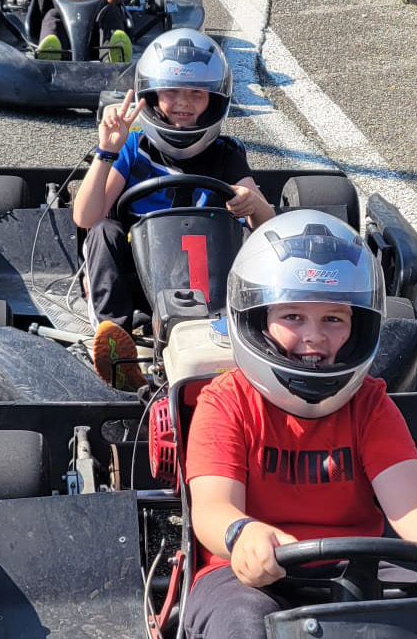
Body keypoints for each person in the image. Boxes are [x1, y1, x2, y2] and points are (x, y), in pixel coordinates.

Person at [180, 210, 417, 639]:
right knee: (244, 625)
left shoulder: (369, 405)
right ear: (256, 320)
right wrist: (241, 533)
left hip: (357, 569)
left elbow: (414, 502)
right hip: (246, 573)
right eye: (293, 317)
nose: (314, 336)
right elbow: (213, 507)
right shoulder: (226, 403)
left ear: (358, 327)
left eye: (333, 319)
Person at [74, 29, 274, 388]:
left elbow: (267, 229)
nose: (183, 103)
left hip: (211, 284)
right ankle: (115, 341)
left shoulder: (225, 154)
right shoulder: (133, 148)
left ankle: (246, 335)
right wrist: (106, 152)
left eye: (196, 93)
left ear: (214, 99)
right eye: (171, 92)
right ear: (152, 96)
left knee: (247, 236)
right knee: (104, 230)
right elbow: (85, 217)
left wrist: (252, 202)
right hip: (138, 281)